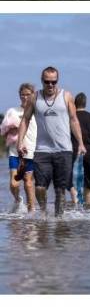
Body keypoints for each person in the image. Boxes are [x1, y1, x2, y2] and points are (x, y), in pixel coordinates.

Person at [17, 67, 86, 217]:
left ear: (57, 81)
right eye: (47, 82)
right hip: (42, 150)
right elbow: (25, 120)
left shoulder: (66, 96)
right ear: (42, 81)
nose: (50, 85)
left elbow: (74, 120)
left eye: (53, 82)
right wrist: (19, 142)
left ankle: (58, 220)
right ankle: (43, 213)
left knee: (60, 190)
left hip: (64, 150)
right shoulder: (34, 98)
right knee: (40, 187)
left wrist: (80, 143)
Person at [1, 84, 38, 213]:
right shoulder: (12, 111)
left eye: (28, 94)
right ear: (19, 95)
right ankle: (18, 200)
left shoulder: (37, 112)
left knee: (28, 182)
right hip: (14, 151)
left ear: (33, 95)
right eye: (23, 94)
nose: (25, 97)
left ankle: (31, 211)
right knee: (14, 183)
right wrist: (12, 128)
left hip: (32, 152)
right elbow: (2, 131)